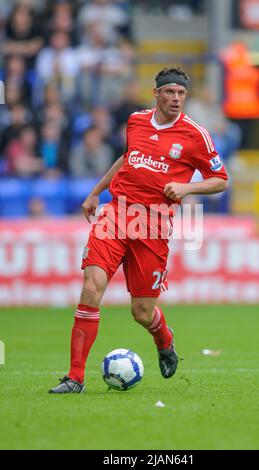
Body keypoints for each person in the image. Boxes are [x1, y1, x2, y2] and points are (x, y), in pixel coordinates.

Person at [49, 66, 228, 394]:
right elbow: (127, 158)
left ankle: (164, 338)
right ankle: (75, 377)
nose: (176, 99)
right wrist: (95, 192)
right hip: (117, 214)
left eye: (181, 94)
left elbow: (221, 179)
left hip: (154, 224)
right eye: (170, 92)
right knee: (91, 288)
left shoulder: (195, 135)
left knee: (142, 311)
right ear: (156, 93)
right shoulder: (136, 121)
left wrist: (187, 189)